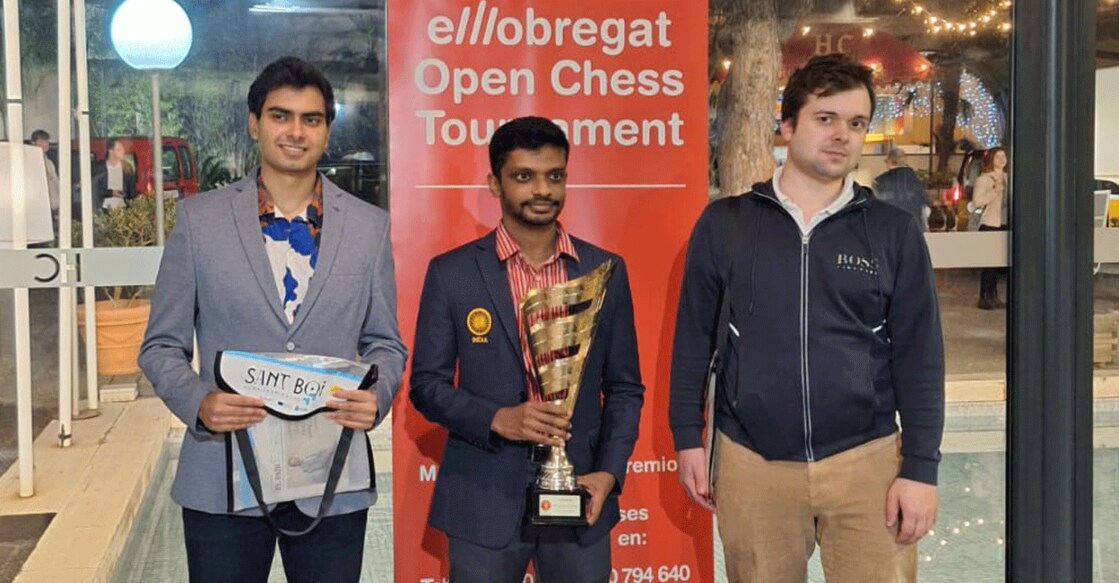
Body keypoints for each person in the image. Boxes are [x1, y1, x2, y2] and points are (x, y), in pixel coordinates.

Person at [669, 53, 945, 583]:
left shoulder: (892, 232)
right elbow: (692, 344)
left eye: (856, 123)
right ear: (789, 125)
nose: (842, 134)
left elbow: (921, 358)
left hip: (867, 460)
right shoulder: (726, 225)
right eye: (826, 118)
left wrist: (920, 469)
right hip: (754, 462)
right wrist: (687, 437)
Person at [139, 56, 407, 583]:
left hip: (331, 477)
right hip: (223, 475)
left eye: (311, 119)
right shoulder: (199, 221)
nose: (295, 132)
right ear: (254, 124)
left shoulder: (369, 227)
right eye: (280, 116)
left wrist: (378, 394)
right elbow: (160, 346)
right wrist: (200, 403)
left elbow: (386, 343)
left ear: (326, 130)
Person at [409, 116, 644, 582]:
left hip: (580, 494)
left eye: (554, 176)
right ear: (495, 184)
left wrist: (608, 473)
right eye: (524, 176)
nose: (542, 190)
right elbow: (426, 386)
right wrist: (497, 419)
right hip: (483, 496)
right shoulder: (453, 273)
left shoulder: (604, 271)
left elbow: (624, 388)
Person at [972, 146, 1009, 310]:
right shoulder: (984, 179)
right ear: (991, 159)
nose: (1001, 160)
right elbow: (977, 202)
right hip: (990, 224)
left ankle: (994, 295)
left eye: (1004, 156)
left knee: (998, 263)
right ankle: (985, 296)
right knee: (989, 265)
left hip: (1004, 223)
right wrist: (994, 192)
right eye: (998, 157)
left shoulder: (1008, 178)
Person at [874, 147, 928, 230]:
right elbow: (925, 209)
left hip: (889, 229)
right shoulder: (916, 181)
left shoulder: (880, 181)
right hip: (913, 228)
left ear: (889, 162)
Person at [92, 137, 136, 210]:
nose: (123, 152)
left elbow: (131, 191)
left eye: (123, 149)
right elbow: (95, 190)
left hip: (123, 209)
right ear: (111, 151)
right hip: (104, 209)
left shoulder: (127, 168)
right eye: (119, 149)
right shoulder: (99, 167)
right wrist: (111, 193)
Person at [30, 130, 60, 219]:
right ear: (33, 143)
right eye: (41, 141)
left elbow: (55, 182)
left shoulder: (49, 162)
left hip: (51, 204)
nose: (45, 144)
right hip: (37, 205)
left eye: (46, 141)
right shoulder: (29, 161)